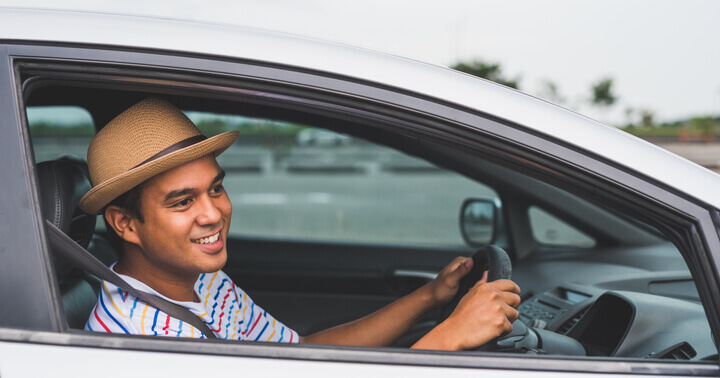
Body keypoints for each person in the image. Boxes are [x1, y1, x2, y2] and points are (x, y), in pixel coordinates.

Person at [81, 98, 521, 350]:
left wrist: (428, 298)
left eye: (215, 188)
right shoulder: (143, 341)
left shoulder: (201, 281)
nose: (213, 213)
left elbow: (301, 356)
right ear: (125, 224)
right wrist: (448, 339)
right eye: (182, 202)